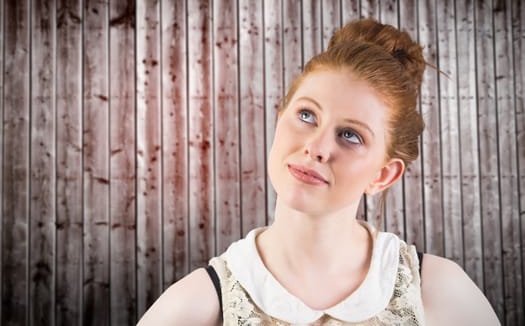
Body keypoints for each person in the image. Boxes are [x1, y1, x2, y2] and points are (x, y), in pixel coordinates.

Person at [137, 18, 500, 326]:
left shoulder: (441, 294)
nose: (317, 147)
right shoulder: (195, 307)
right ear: (280, 120)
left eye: (350, 135)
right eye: (307, 115)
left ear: (383, 175)